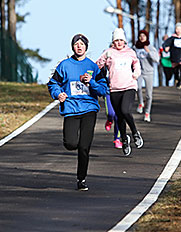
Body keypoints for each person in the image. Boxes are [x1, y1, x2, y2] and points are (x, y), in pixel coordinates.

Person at [47, 34, 109, 191]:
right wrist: (58, 94)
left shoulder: (94, 67)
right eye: (76, 44)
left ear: (86, 47)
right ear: (72, 47)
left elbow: (103, 89)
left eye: (82, 44)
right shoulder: (65, 65)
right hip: (71, 109)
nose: (79, 46)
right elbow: (53, 83)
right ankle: (71, 143)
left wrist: (91, 82)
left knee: (84, 147)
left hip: (89, 109)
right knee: (71, 144)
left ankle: (81, 179)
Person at [96, 27, 143, 156]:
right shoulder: (109, 52)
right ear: (113, 42)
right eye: (116, 40)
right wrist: (103, 59)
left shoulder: (130, 52)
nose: (119, 43)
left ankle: (135, 133)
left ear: (125, 41)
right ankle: (124, 139)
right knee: (119, 117)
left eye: (121, 40)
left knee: (125, 111)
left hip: (129, 86)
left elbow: (136, 64)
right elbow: (97, 65)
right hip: (114, 88)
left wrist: (136, 73)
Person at [134, 30, 159, 122]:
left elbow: (156, 59)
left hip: (149, 72)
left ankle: (147, 113)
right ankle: (140, 103)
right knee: (138, 88)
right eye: (140, 36)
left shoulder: (151, 47)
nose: (142, 37)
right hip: (139, 72)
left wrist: (149, 52)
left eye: (144, 36)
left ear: (147, 37)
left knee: (149, 95)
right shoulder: (135, 48)